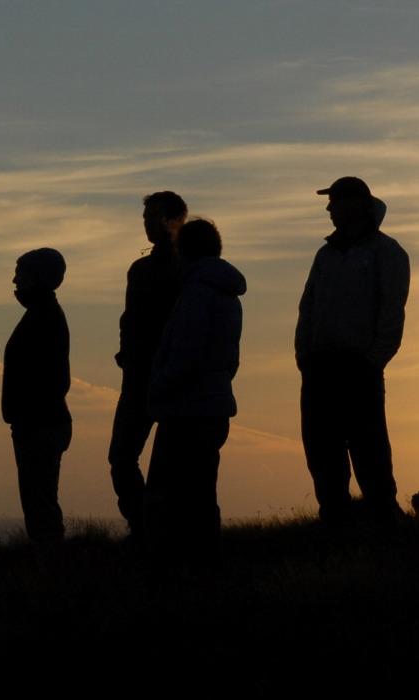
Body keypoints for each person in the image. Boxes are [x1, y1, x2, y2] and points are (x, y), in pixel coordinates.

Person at [296, 177, 410, 524]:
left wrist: (372, 361)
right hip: (320, 367)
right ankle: (335, 519)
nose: (329, 209)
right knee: (322, 449)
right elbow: (308, 306)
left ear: (356, 204)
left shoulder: (387, 253)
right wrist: (305, 355)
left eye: (335, 201)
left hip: (358, 366)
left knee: (369, 448)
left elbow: (392, 311)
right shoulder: (326, 254)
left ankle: (384, 519)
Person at [147, 219, 244, 560]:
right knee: (201, 492)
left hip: (187, 410)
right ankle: (204, 562)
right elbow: (229, 358)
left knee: (169, 494)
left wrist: (157, 389)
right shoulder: (226, 295)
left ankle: (177, 565)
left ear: (183, 252)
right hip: (213, 404)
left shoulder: (198, 294)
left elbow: (184, 356)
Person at [109, 191, 187, 540]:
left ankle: (159, 530)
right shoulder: (139, 269)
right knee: (122, 456)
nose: (148, 224)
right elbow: (129, 318)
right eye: (145, 218)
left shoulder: (191, 268)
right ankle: (144, 524)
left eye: (155, 217)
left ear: (176, 219)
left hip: (174, 377)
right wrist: (127, 353)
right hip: (138, 374)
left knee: (170, 465)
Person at [2, 247, 71, 544]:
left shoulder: (44, 318)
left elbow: (51, 378)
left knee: (40, 502)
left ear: (39, 278)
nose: (15, 280)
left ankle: (50, 565)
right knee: (38, 499)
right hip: (37, 422)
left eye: (22, 273)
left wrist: (27, 415)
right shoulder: (42, 315)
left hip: (40, 424)